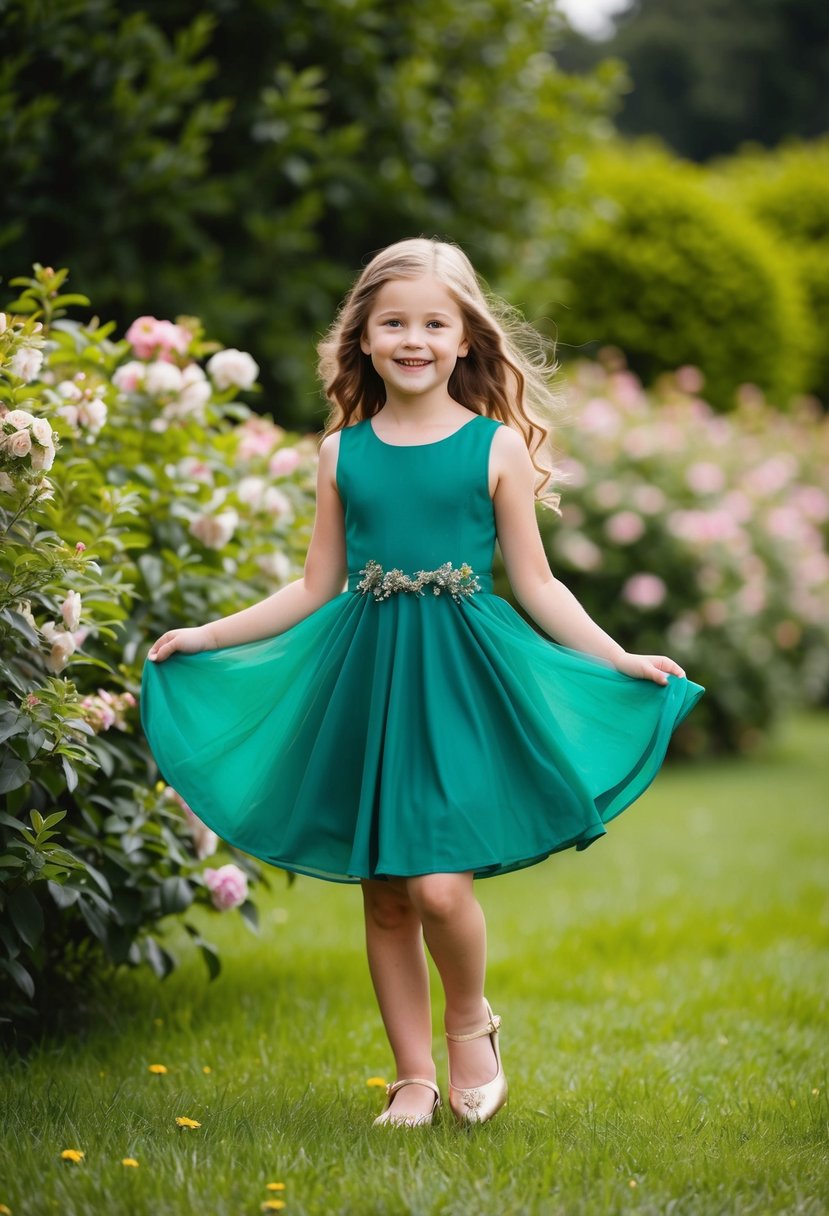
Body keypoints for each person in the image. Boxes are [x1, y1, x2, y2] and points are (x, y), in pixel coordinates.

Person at [141, 237, 704, 1130]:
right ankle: (410, 1077)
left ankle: (470, 1023)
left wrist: (618, 658)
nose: (413, 338)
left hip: (462, 680)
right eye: (392, 322)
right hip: (367, 677)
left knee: (442, 885)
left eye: (433, 323)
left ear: (465, 340)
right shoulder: (342, 454)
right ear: (361, 339)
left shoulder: (494, 449)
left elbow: (539, 583)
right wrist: (207, 634)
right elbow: (314, 583)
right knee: (388, 891)